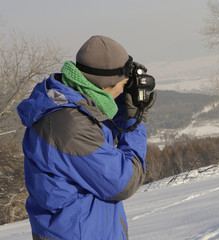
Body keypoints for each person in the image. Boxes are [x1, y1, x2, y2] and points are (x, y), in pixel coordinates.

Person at [17, 35, 156, 240]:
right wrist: (136, 121)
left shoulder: (72, 104)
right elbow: (124, 182)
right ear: (106, 84)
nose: (124, 89)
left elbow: (100, 128)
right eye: (123, 85)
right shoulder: (68, 125)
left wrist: (127, 109)